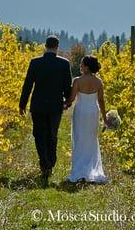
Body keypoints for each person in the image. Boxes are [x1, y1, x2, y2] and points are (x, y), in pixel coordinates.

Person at [19, 35, 72, 179]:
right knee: (52, 134)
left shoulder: (35, 63)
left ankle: (44, 162)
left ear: (45, 46)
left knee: (39, 134)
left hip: (38, 105)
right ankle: (51, 161)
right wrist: (67, 101)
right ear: (57, 47)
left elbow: (28, 85)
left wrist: (22, 104)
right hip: (56, 105)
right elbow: (68, 86)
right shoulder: (64, 64)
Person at [65, 55, 110, 183]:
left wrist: (64, 103)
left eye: (81, 64)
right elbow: (101, 100)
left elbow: (72, 99)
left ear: (87, 67)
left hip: (80, 112)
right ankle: (90, 169)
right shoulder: (99, 82)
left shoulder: (78, 81)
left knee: (79, 139)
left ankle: (79, 171)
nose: (80, 66)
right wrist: (104, 117)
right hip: (93, 113)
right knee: (91, 139)